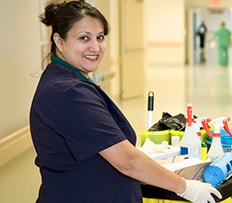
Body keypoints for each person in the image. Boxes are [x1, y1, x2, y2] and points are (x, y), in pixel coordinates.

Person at [30, 1, 222, 203]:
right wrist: (185, 188)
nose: (95, 47)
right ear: (60, 42)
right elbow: (127, 161)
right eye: (84, 38)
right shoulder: (68, 92)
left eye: (100, 37)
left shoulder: (67, 79)